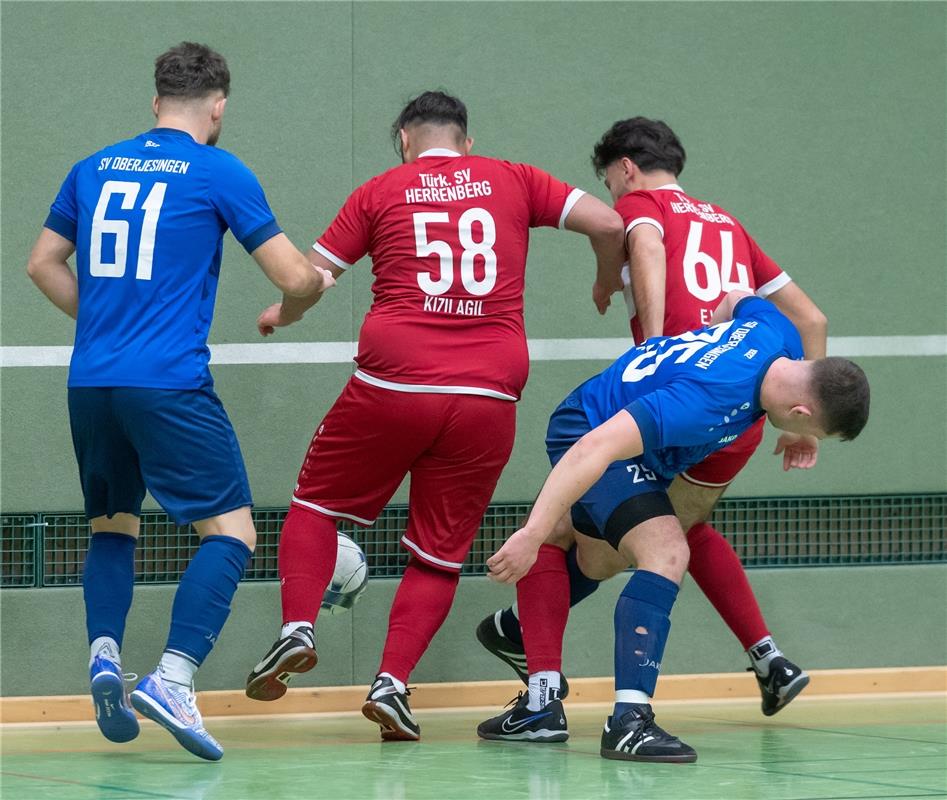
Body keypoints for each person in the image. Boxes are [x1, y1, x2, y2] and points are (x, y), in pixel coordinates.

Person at [244, 90, 626, 741]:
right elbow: (610, 224)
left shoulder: (381, 190)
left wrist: (286, 314)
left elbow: (309, 278)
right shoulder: (514, 178)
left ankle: (298, 627)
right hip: (487, 395)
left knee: (313, 505)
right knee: (437, 555)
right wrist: (603, 277)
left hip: (394, 381)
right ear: (465, 141)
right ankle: (391, 684)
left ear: (404, 141)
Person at [26, 42, 332, 761]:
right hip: (166, 382)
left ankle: (105, 653)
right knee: (231, 533)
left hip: (92, 380)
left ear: (155, 99)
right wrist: (314, 284)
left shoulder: (93, 166)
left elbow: (42, 263)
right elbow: (291, 275)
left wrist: (108, 325)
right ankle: (172, 675)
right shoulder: (217, 169)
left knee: (112, 525)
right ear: (218, 104)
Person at [478, 117, 829, 716]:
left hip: (683, 396)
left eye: (610, 185)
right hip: (742, 417)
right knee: (669, 533)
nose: (615, 199)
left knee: (587, 534)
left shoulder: (640, 203)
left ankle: (539, 665)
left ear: (625, 169)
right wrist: (797, 423)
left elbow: (639, 241)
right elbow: (812, 321)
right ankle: (768, 658)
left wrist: (658, 345)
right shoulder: (727, 222)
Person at [476, 290, 869, 762]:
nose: (803, 436)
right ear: (802, 412)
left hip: (642, 445)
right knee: (667, 552)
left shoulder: (778, 333)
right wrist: (529, 534)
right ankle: (628, 721)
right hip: (592, 431)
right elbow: (592, 449)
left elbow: (736, 298)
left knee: (595, 561)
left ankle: (528, 666)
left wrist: (705, 340)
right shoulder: (706, 397)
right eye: (810, 431)